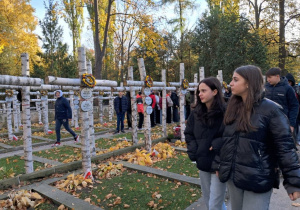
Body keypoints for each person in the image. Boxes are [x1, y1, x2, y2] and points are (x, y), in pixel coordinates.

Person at [218, 65, 300, 210]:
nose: (230, 83)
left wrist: (293, 181)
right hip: (234, 177)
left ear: (249, 82)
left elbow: (285, 148)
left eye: (235, 79)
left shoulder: (271, 110)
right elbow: (226, 140)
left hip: (258, 178)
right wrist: (220, 164)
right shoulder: (232, 107)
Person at [185, 77, 227, 210]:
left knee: (215, 203)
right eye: (199, 91)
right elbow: (189, 133)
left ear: (215, 92)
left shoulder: (226, 111)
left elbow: (232, 133)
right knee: (209, 199)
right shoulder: (196, 113)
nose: (199, 94)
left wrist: (217, 144)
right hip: (202, 160)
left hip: (219, 162)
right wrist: (193, 151)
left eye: (203, 90)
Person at [264, 67, 299, 133]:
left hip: (282, 124)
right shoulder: (265, 87)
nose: (268, 80)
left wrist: (291, 124)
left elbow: (294, 106)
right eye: (267, 77)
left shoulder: (288, 88)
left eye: (270, 77)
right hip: (266, 123)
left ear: (277, 76)